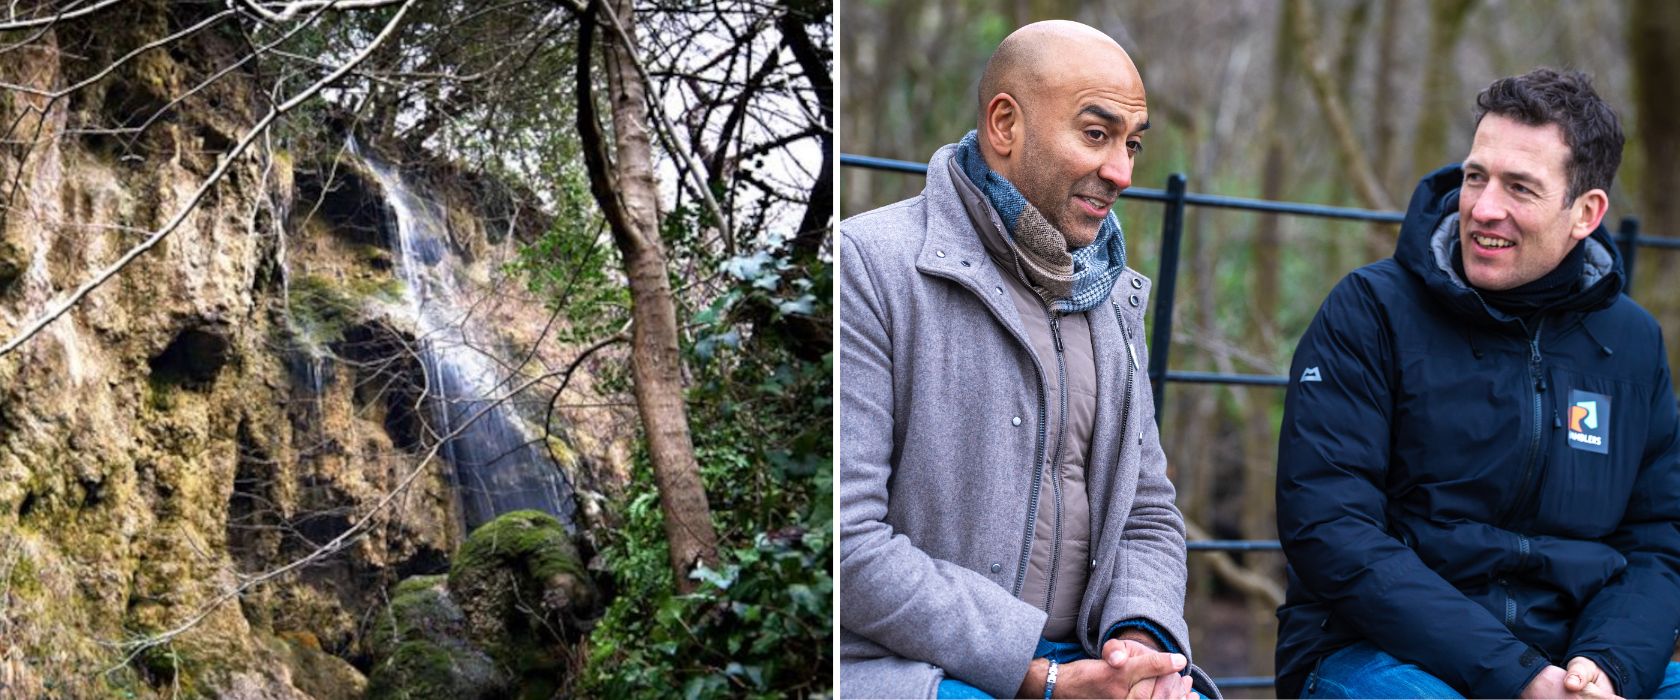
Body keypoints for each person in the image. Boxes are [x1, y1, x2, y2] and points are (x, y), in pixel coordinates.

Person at [839, 19, 1217, 700]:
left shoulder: (1112, 295)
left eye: (1132, 144)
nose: (1122, 172)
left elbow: (1149, 511)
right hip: (913, 669)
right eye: (1097, 135)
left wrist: (1139, 646)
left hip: (1089, 661)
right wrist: (1037, 679)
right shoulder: (868, 265)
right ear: (1005, 125)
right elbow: (845, 541)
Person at [1275, 68, 1680, 699]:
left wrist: (1605, 667)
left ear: (1586, 214)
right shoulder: (1371, 310)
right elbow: (1329, 527)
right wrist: (1516, 676)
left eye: (1520, 188)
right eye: (1474, 177)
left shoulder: (1632, 344)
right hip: (1382, 655)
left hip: (1575, 661)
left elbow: (1657, 543)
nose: (1484, 208)